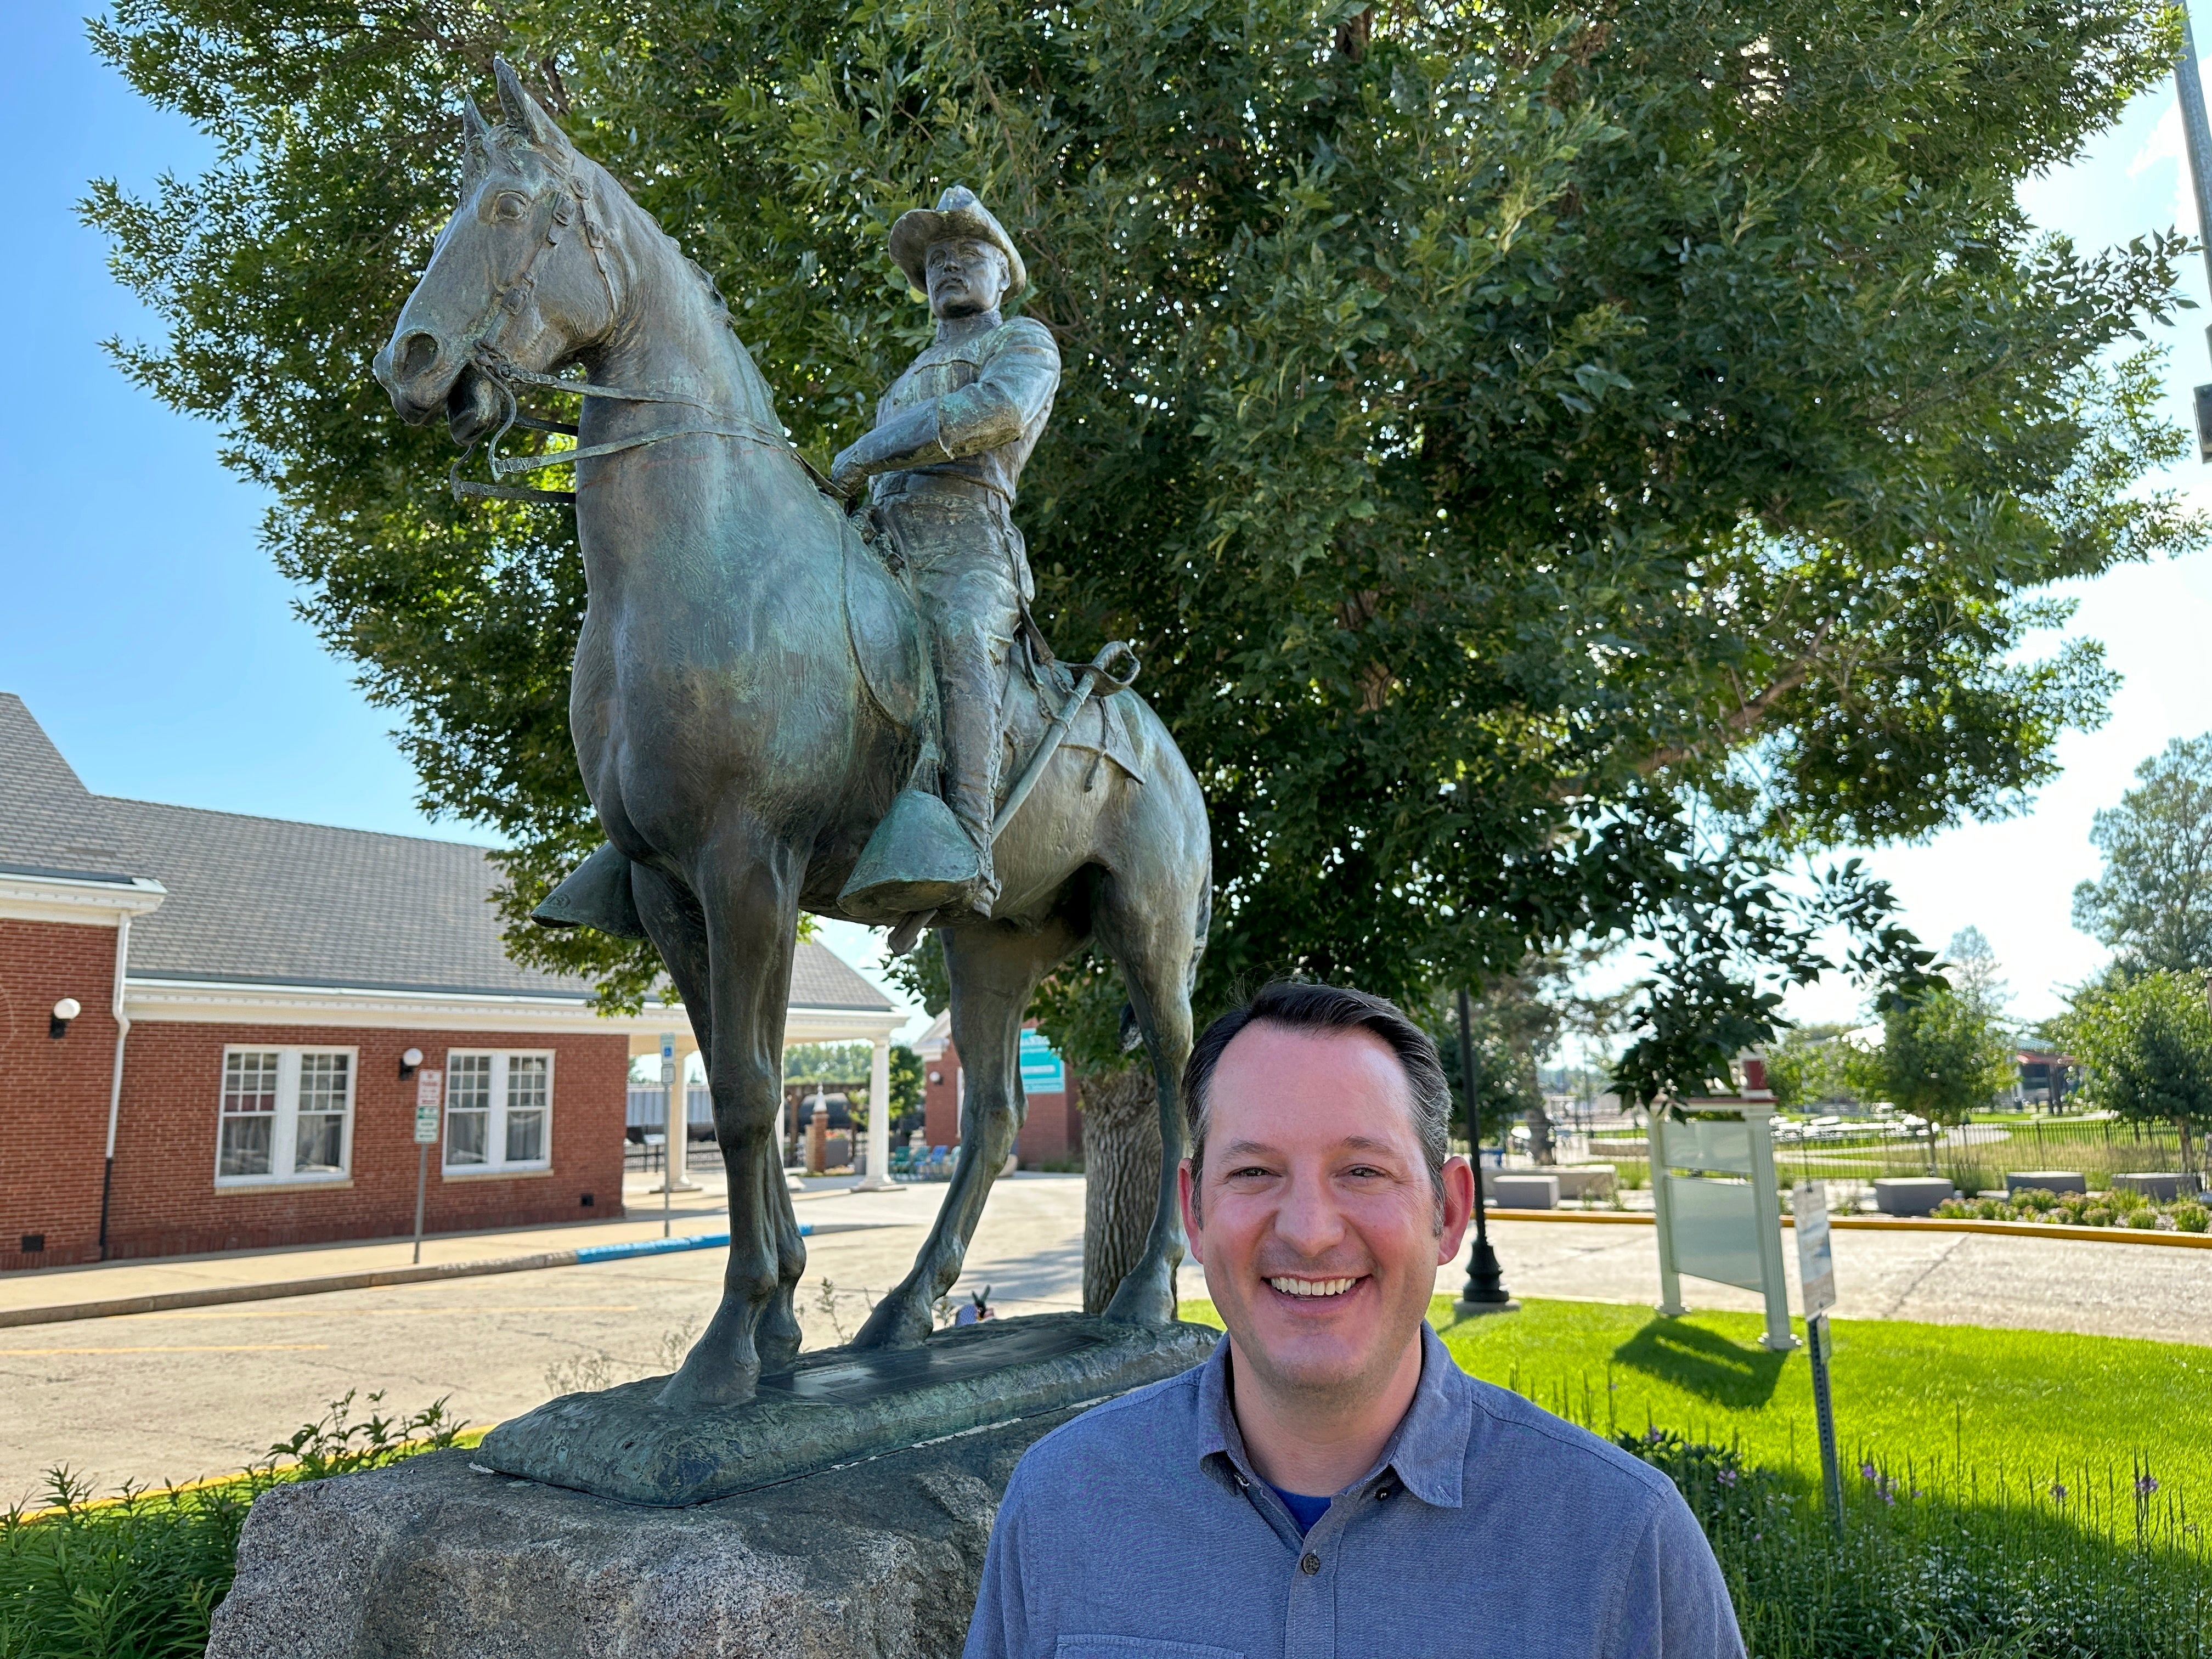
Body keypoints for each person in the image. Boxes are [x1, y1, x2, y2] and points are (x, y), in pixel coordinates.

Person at [964, 981, 1745, 1658]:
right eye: (1255, 1171)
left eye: (1363, 1171)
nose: (1308, 1230)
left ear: (1450, 1216)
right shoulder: (1063, 1501)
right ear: (1193, 1217)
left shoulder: (1623, 1541)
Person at [831, 185, 1062, 918]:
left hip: (968, 542)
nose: (946, 271)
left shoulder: (1021, 342)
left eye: (967, 257)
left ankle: (967, 847)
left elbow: (996, 412)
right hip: (883, 542)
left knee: (961, 637)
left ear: (1003, 275)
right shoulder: (903, 380)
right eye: (934, 264)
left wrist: (865, 451)